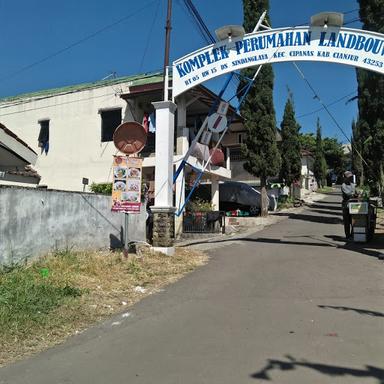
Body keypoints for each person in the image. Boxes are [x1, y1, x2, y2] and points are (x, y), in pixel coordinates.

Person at [341, 171, 356, 238]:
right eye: (348, 177)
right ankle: (347, 235)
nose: (350, 178)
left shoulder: (353, 184)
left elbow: (355, 192)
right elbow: (348, 194)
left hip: (353, 204)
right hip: (346, 205)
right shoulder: (343, 185)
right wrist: (354, 194)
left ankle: (353, 234)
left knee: (353, 220)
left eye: (351, 177)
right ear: (345, 178)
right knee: (347, 222)